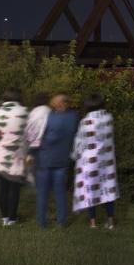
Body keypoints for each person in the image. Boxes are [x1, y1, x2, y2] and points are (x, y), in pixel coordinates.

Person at [72, 93, 119, 229]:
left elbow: (80, 141)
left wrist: (75, 155)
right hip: (107, 162)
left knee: (91, 191)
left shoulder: (86, 121)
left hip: (90, 163)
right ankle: (110, 221)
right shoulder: (109, 118)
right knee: (107, 190)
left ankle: (93, 223)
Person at [34, 94, 78, 228]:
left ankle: (42, 222)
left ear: (56, 104)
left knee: (42, 192)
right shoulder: (74, 116)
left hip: (46, 158)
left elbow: (46, 137)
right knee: (60, 192)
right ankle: (61, 221)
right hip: (63, 158)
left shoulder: (51, 117)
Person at [0, 88, 28, 226]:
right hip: (18, 154)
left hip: (2, 154)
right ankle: (12, 218)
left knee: (3, 187)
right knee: (14, 188)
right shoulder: (25, 112)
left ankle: (4, 217)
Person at [23, 94, 52, 185]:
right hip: (44, 141)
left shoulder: (32, 112)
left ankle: (30, 176)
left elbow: (27, 126)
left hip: (32, 142)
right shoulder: (50, 111)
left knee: (30, 159)